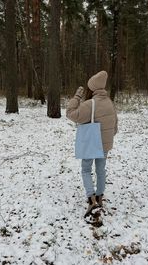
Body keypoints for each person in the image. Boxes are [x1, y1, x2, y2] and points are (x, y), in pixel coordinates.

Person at [66, 71, 118, 218]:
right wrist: (106, 138)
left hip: (91, 143)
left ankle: (91, 199)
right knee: (101, 170)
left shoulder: (90, 104)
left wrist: (77, 97)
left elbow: (71, 113)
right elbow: (115, 126)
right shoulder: (110, 103)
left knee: (86, 170)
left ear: (92, 88)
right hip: (105, 144)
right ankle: (100, 198)